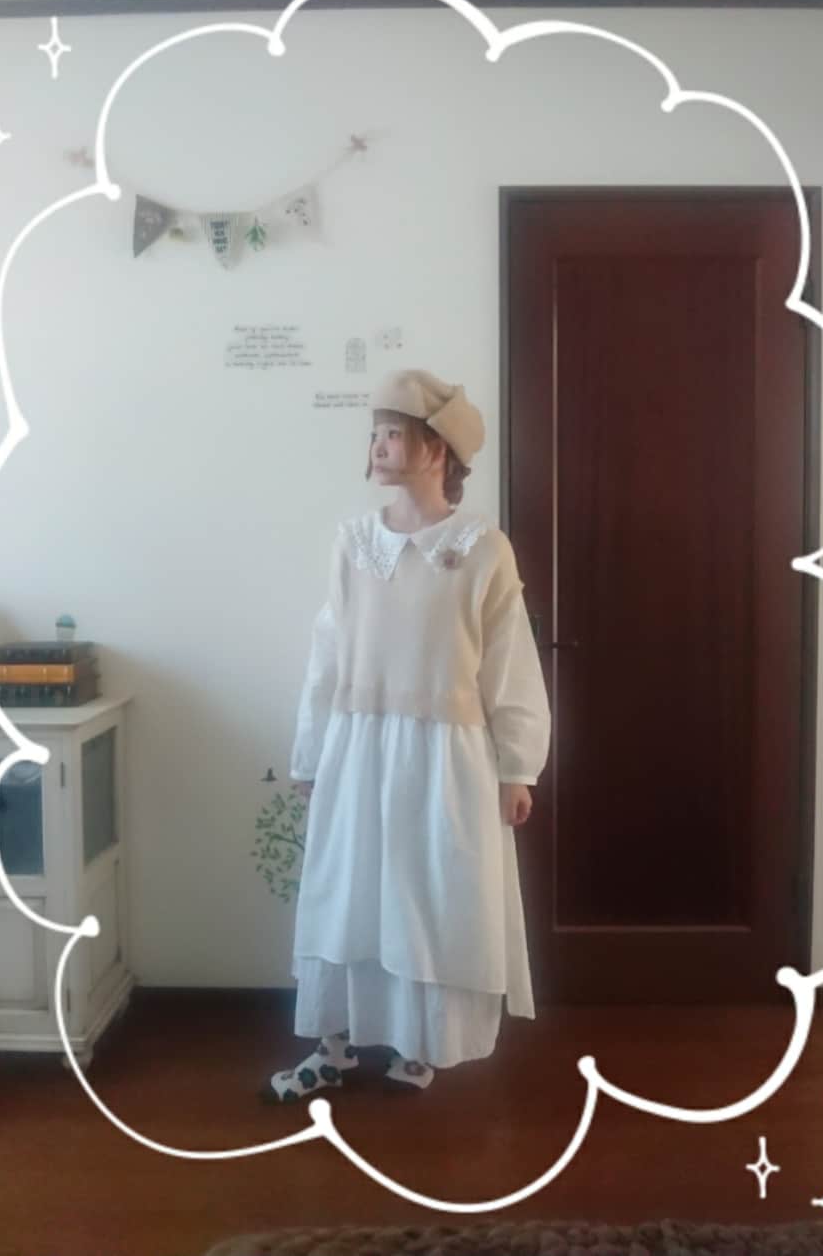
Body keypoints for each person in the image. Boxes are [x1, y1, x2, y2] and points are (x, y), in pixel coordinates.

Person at [262, 368, 551, 1104]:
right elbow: (329, 651)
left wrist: (517, 766)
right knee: (348, 892)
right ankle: (331, 1046)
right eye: (376, 434)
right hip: (359, 750)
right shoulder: (355, 542)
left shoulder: (483, 549)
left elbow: (508, 661)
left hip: (446, 757)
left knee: (430, 898)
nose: (379, 446)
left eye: (394, 433)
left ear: (437, 448)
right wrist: (311, 752)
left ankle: (420, 1044)